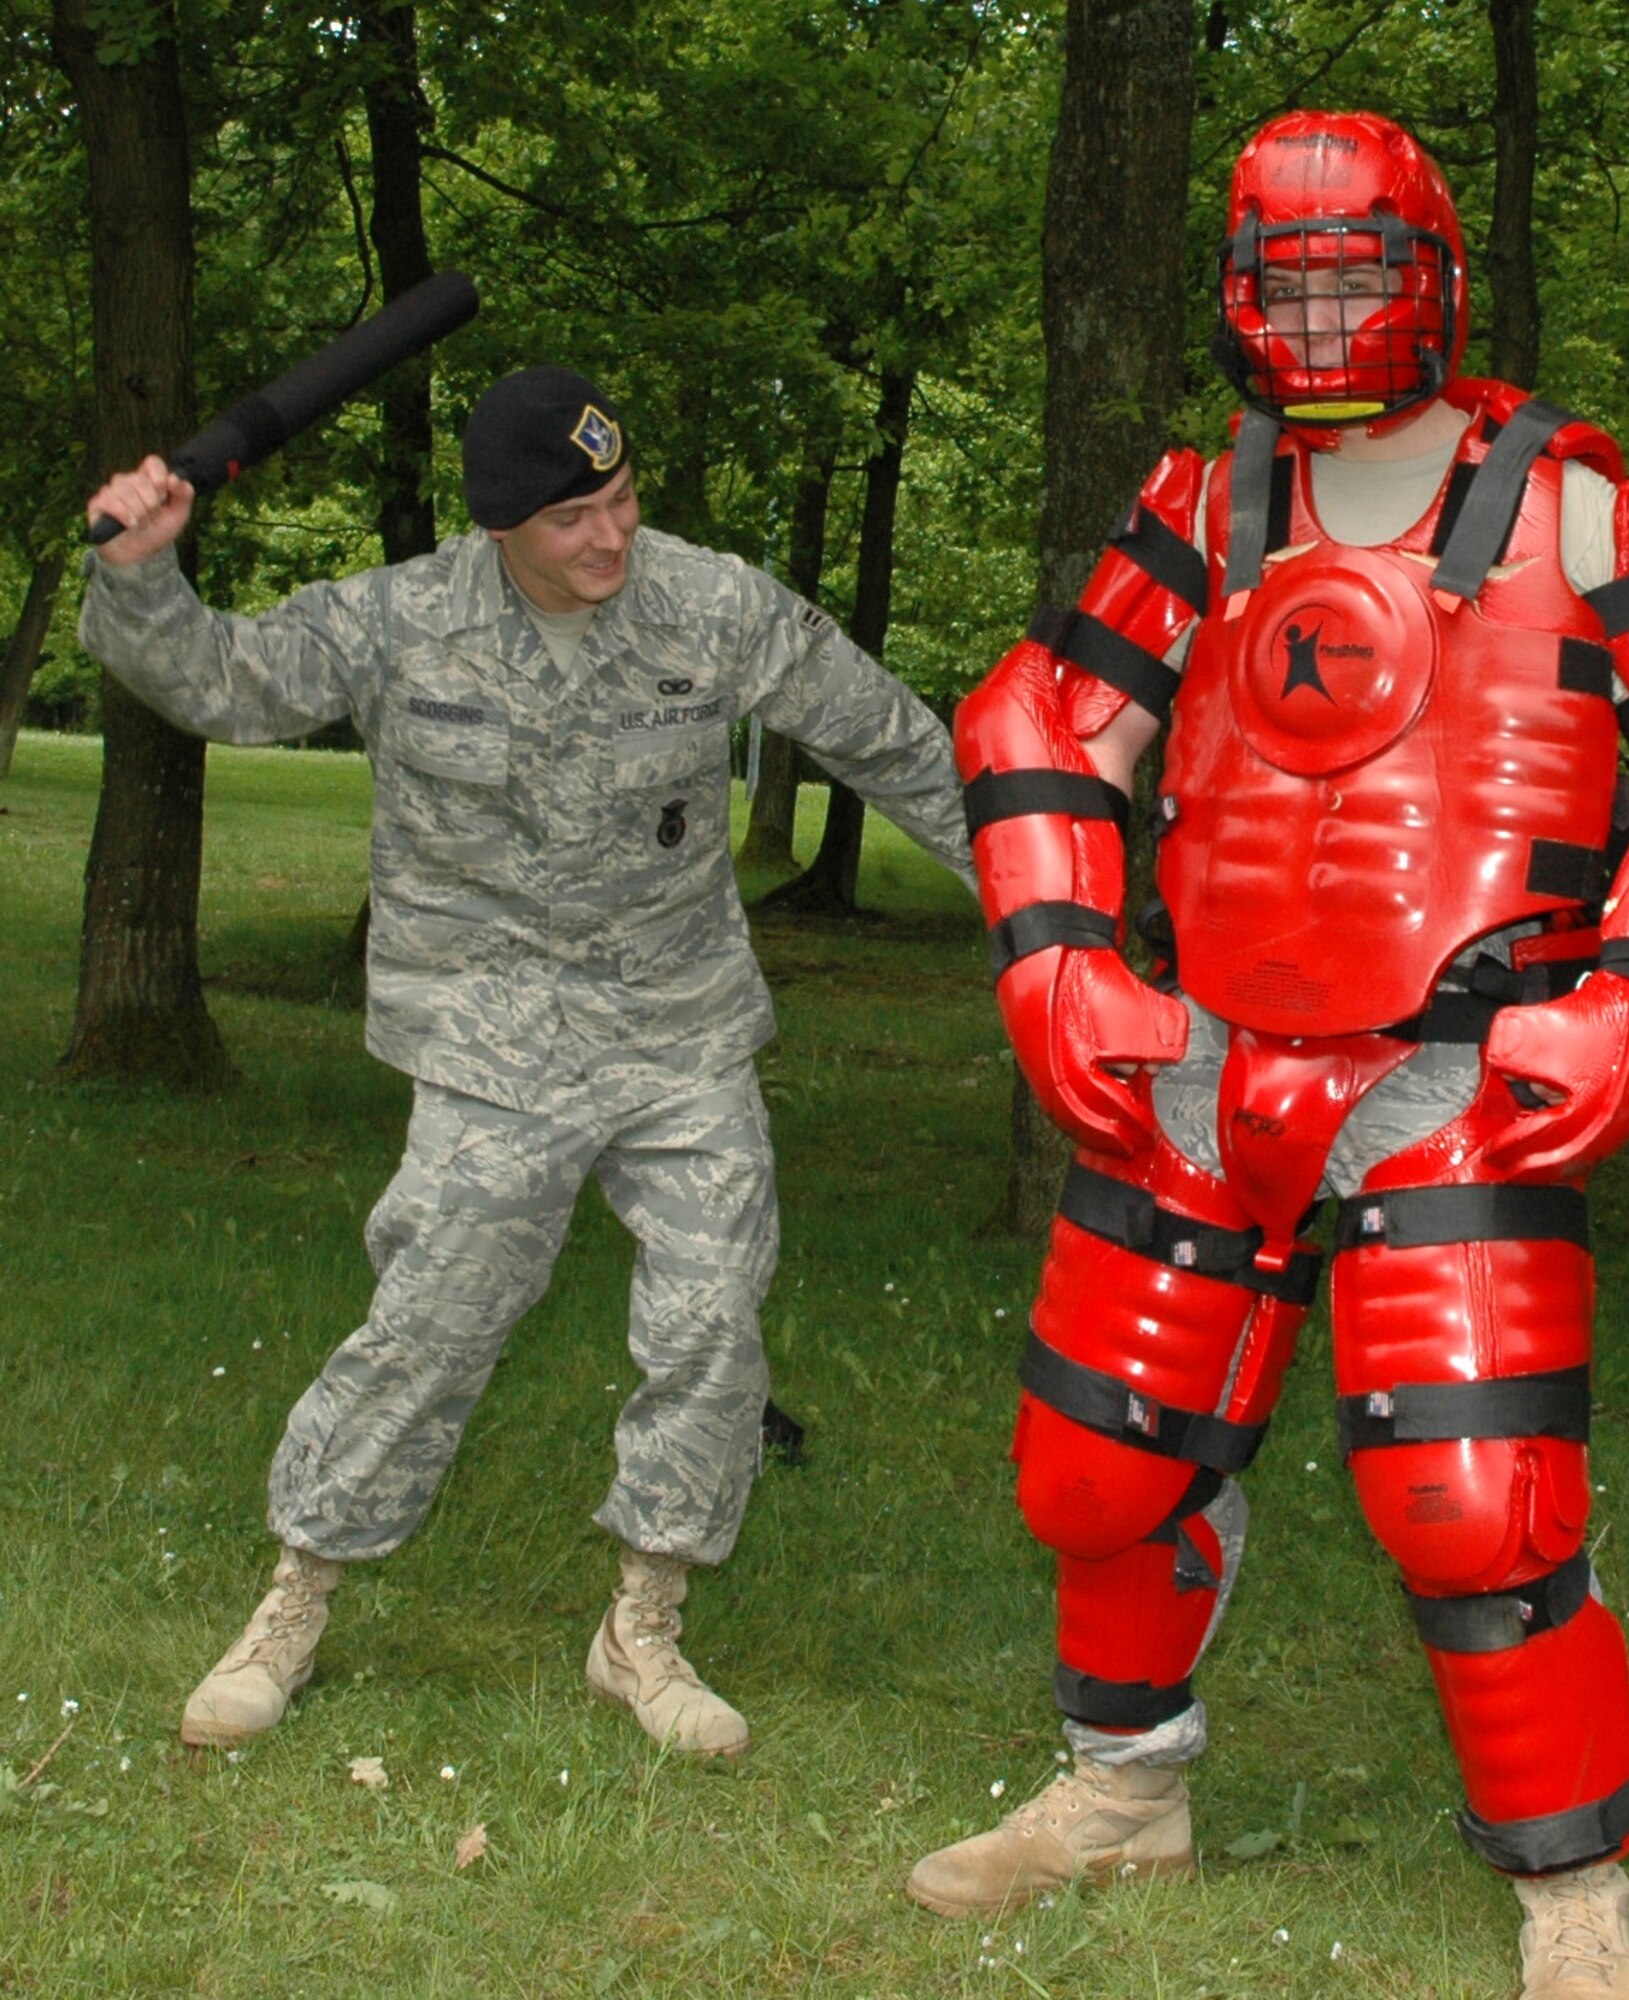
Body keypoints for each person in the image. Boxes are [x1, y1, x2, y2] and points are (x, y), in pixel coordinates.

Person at [907, 112, 1629, 1999]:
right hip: (1203, 1054)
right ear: (1243, 289)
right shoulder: (1199, 502)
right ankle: (1121, 1795)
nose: (1322, 312)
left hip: (1458, 1078)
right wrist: (1057, 955)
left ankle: (1573, 1896)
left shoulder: (1576, 506)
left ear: (1430, 277)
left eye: (1357, 272)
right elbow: (1043, 717)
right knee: (1097, 1471)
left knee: (1475, 1507)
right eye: (1289, 275)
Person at [80, 365, 973, 1762]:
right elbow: (221, 682)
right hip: (491, 1035)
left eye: (620, 501)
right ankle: (295, 1600)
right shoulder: (401, 620)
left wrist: (1059, 907)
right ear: (501, 528)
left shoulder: (713, 603)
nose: (610, 539)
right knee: (433, 1317)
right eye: (573, 521)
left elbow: (898, 746)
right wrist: (143, 573)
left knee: (710, 1321)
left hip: (677, 1028)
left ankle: (645, 1626)